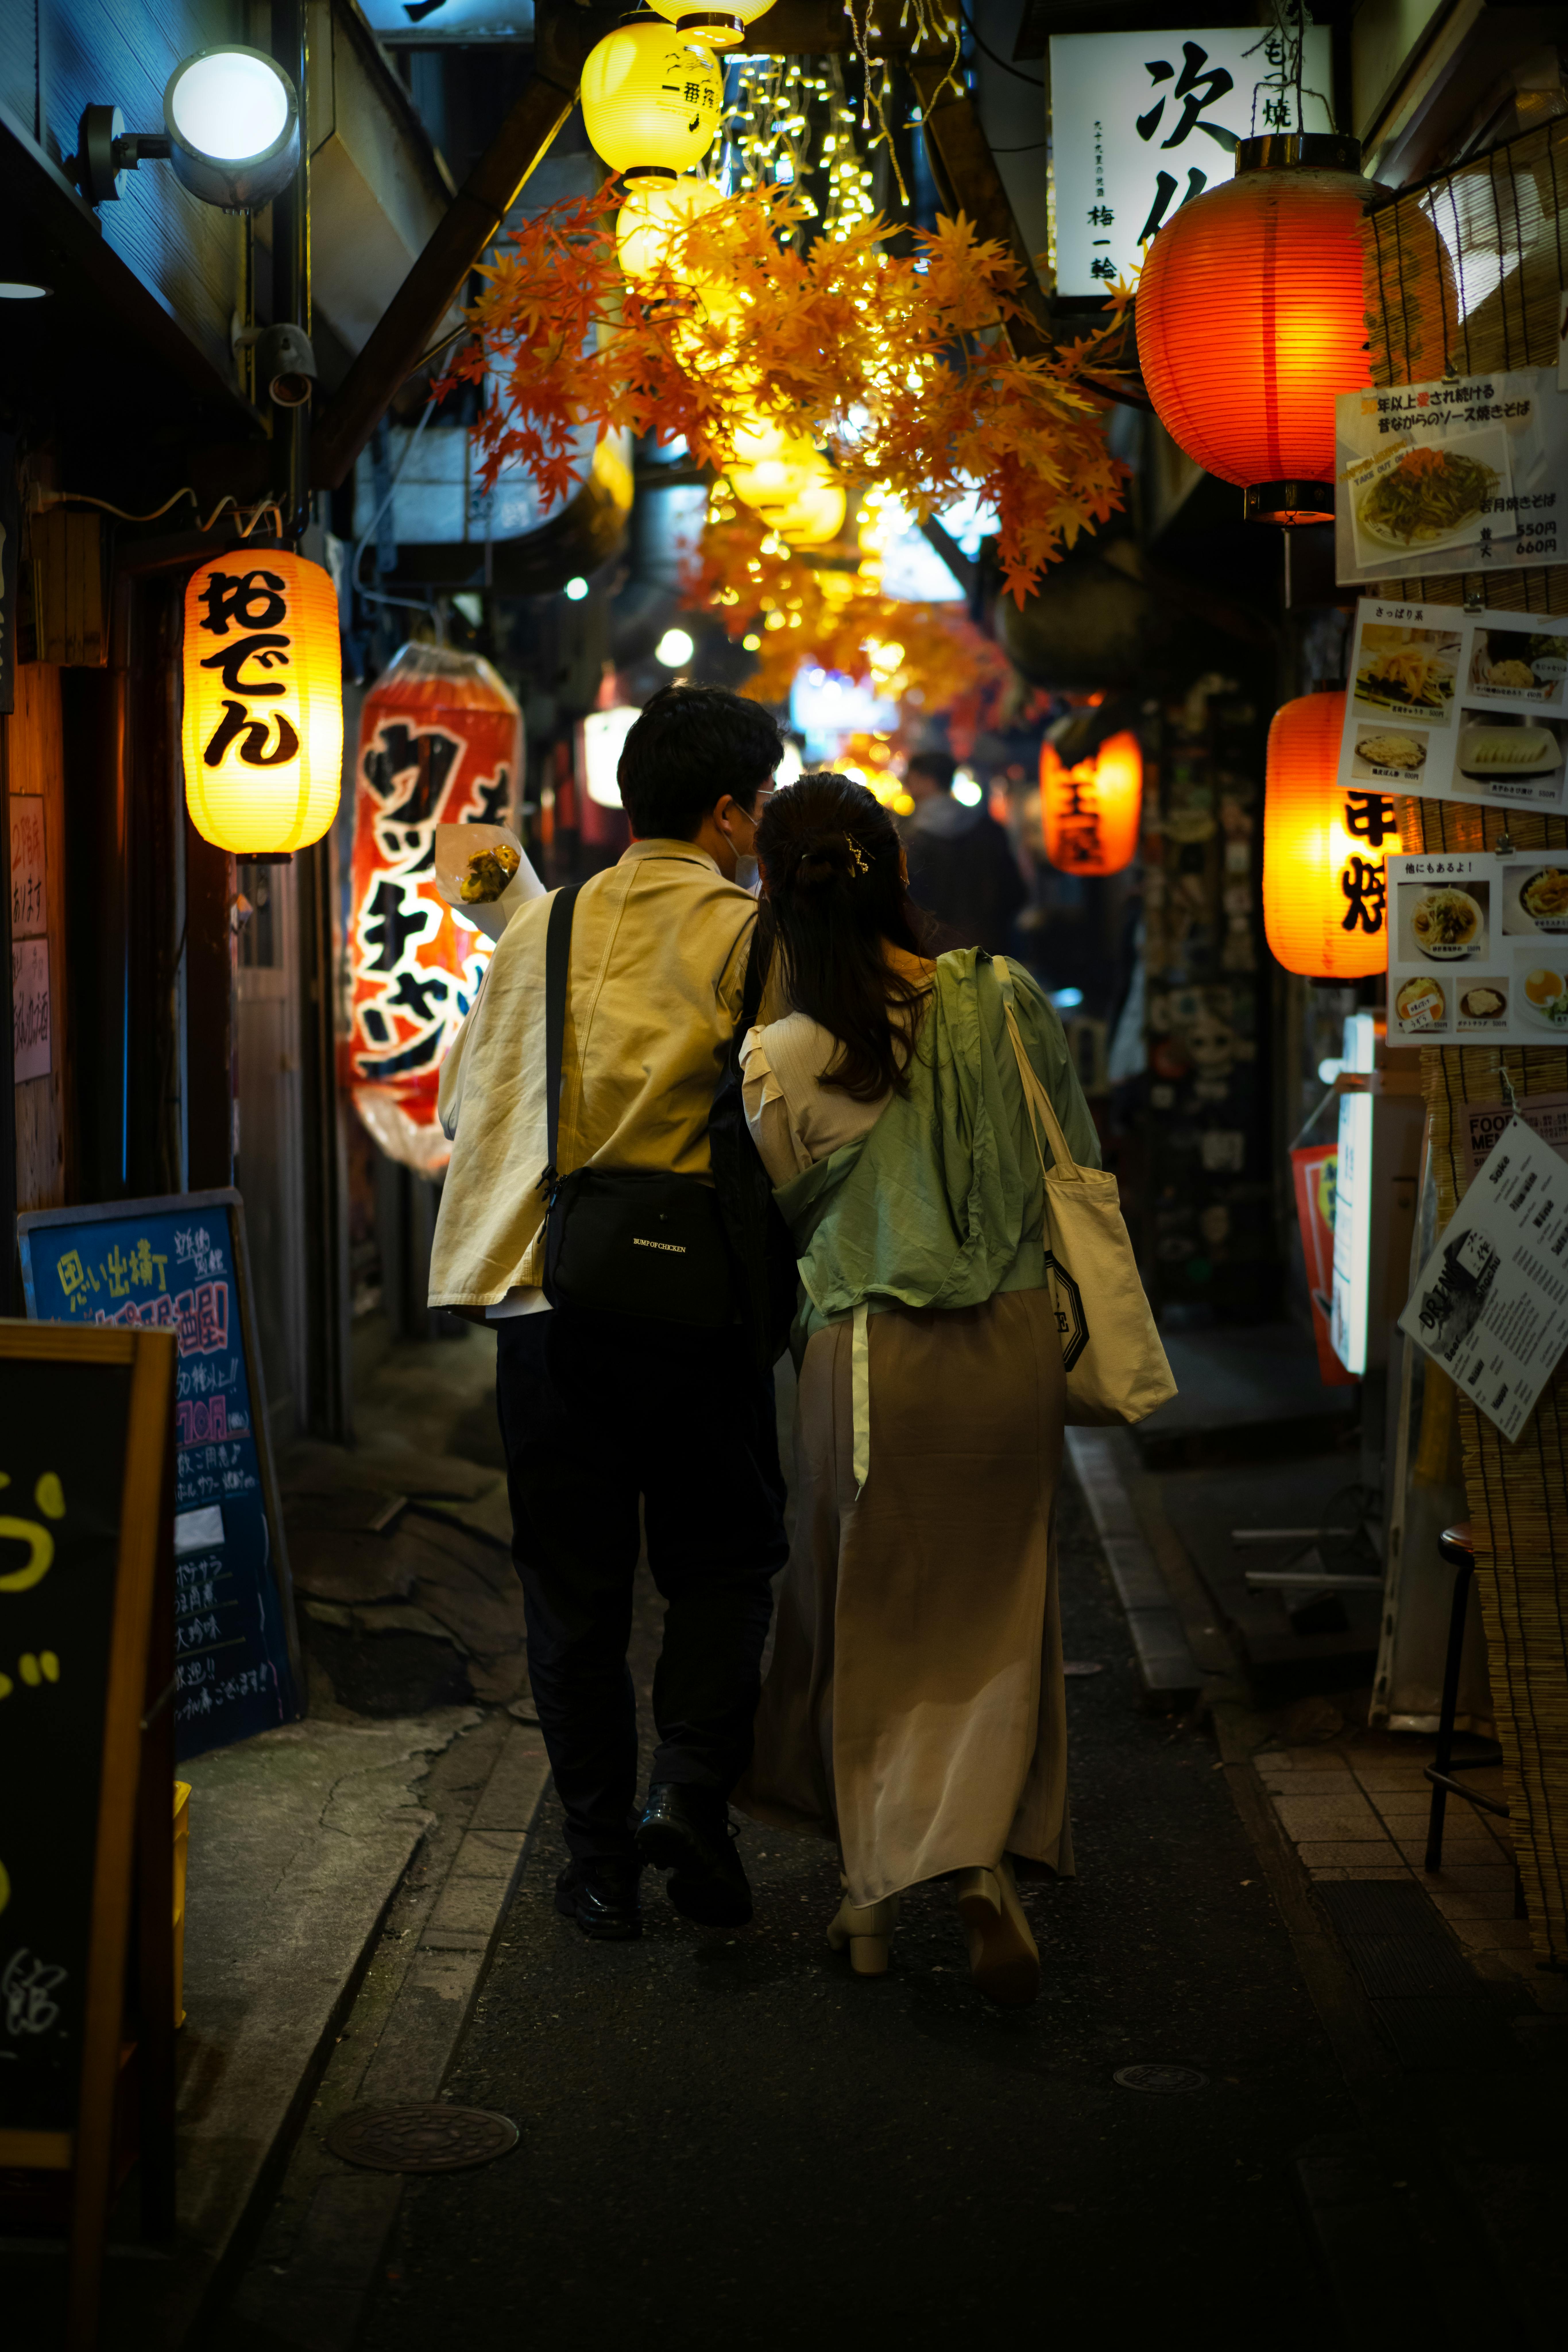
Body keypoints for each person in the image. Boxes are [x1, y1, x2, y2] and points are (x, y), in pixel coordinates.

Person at [428, 685, 790, 1944]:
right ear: (730, 810)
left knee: (573, 1596)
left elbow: (470, 1114)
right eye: (762, 805)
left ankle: (595, 1866)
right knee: (724, 1564)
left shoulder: (545, 927)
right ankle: (688, 1795)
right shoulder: (757, 937)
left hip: (550, 1300)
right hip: (699, 1307)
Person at [733, 772, 1099, 2007]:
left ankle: (872, 1900)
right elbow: (1075, 1166)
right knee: (996, 1622)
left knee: (866, 1620)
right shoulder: (1002, 1000)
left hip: (871, 1362)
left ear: (774, 899)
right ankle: (980, 1862)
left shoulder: (778, 1059)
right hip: (1008, 1352)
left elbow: (790, 1228)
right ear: (899, 876)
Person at [901, 747, 1028, 953]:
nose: (906, 787)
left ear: (926, 780)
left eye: (910, 779)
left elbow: (909, 902)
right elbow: (1015, 891)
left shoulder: (909, 839)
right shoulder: (989, 829)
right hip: (989, 948)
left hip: (935, 953)